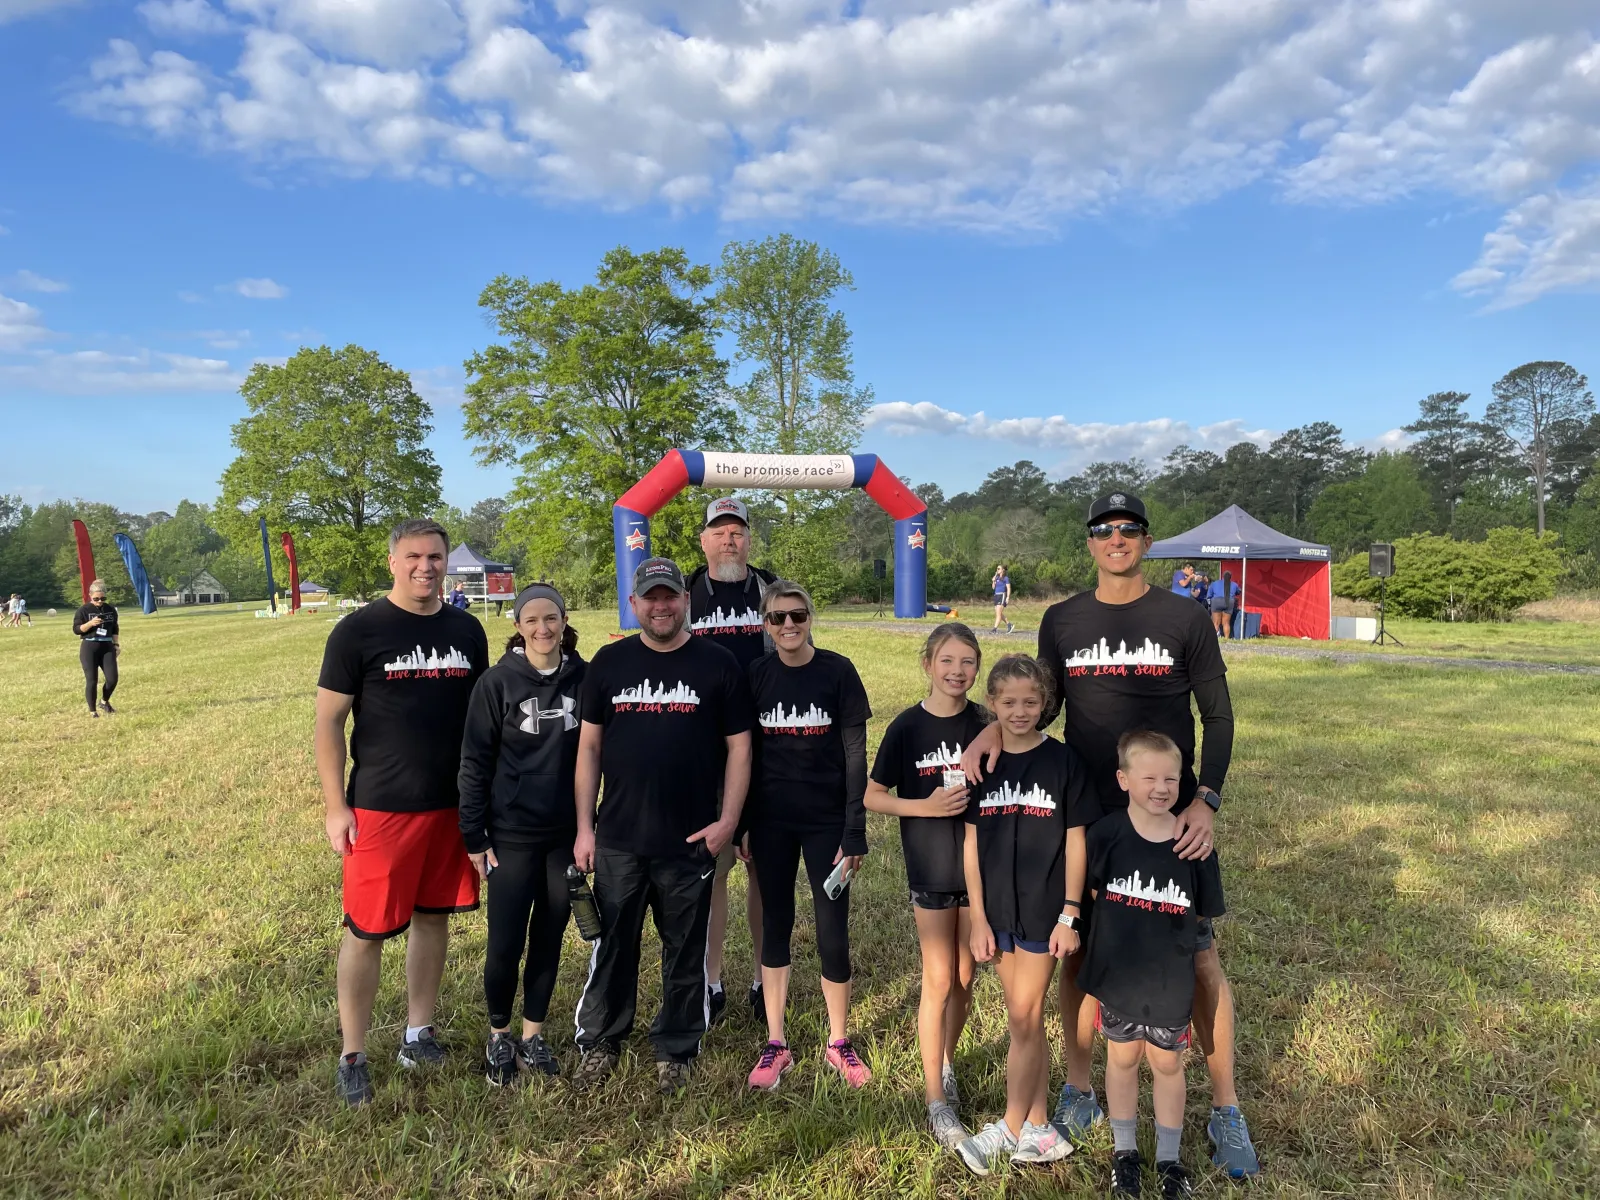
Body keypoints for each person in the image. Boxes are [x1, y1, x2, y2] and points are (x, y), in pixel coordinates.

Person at [962, 491, 1258, 1179]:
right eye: (1103, 530)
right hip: (1088, 818)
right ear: (1090, 543)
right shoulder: (1061, 619)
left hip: (1168, 820)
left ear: (1147, 541)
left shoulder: (1183, 615)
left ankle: (1225, 1107)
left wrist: (1205, 799)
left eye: (1128, 529)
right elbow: (1039, 704)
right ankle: (1079, 1087)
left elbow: (1218, 716)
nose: (1116, 538)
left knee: (1200, 958)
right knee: (1078, 951)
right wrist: (987, 726)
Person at [315, 518, 490, 1107]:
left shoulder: (467, 631)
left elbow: (481, 721)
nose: (426, 566)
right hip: (382, 807)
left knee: (433, 916)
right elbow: (328, 722)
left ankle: (419, 1032)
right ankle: (353, 1054)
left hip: (451, 806)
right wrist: (336, 805)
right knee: (366, 932)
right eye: (413, 556)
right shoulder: (358, 631)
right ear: (392, 562)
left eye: (435, 556)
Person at [573, 557, 754, 1096]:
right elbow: (588, 746)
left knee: (684, 948)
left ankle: (676, 1045)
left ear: (686, 600)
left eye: (670, 596)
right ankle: (601, 1038)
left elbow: (740, 749)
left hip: (691, 839)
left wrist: (728, 821)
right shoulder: (608, 663)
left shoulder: (717, 664)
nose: (661, 606)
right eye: (650, 597)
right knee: (612, 944)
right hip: (620, 837)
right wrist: (585, 827)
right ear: (634, 605)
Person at [954, 654, 1098, 1175]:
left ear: (1045, 705)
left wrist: (1070, 912)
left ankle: (1009, 1127)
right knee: (1026, 1023)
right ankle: (1039, 1128)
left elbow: (1077, 845)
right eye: (1008, 702)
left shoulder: (1063, 763)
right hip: (997, 913)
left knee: (1023, 1018)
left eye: (1031, 702)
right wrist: (977, 918)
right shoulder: (980, 767)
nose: (1020, 711)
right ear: (992, 704)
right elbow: (969, 846)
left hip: (1045, 911)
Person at [1081, 731, 1226, 1199]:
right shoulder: (1104, 835)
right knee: (1121, 1058)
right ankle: (1125, 1153)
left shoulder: (1194, 842)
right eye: (1149, 777)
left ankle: (1168, 1159)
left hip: (1169, 981)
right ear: (1123, 779)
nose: (1161, 787)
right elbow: (1093, 891)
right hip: (1120, 978)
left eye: (1171, 778)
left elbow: (1202, 914)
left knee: (1167, 1065)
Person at [742, 581, 873, 1091]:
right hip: (772, 821)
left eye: (797, 616)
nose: (789, 626)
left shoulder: (837, 671)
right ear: (765, 624)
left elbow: (856, 755)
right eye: (778, 618)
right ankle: (776, 1042)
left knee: (831, 928)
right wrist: (745, 822)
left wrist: (853, 829)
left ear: (811, 617)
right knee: (775, 923)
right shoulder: (756, 675)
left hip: (826, 824)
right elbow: (745, 754)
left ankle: (838, 1041)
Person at [865, 622, 988, 1148]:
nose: (957, 672)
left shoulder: (987, 722)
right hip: (932, 866)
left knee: (966, 975)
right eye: (947, 661)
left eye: (968, 663)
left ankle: (946, 1060)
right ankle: (936, 1100)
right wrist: (925, 806)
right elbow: (872, 795)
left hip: (982, 870)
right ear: (927, 664)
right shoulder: (907, 727)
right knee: (938, 977)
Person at [458, 582, 586, 1086]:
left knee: (549, 937)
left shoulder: (585, 678)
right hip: (510, 833)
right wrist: (474, 834)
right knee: (505, 941)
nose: (542, 628)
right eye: (531, 620)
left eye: (550, 618)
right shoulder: (497, 683)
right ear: (517, 626)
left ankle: (533, 1035)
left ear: (563, 620)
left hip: (563, 834)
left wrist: (588, 828)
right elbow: (474, 761)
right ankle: (500, 1035)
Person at [686, 496, 777, 1026]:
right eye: (718, 531)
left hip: (767, 748)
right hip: (705, 752)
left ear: (748, 538)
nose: (728, 540)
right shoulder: (686, 592)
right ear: (704, 540)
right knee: (712, 871)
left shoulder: (769, 588)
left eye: (737, 531)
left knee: (764, 869)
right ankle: (710, 979)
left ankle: (766, 977)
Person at [72, 580, 119, 717]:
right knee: (92, 680)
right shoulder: (83, 610)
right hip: (89, 646)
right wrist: (90, 623)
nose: (100, 601)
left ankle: (104, 702)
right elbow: (76, 630)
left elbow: (115, 628)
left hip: (107, 646)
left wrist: (116, 644)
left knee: (112, 679)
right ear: (90, 596)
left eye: (103, 598)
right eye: (96, 599)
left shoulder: (110, 609)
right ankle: (93, 711)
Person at [1207, 571, 1240, 639]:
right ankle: (1226, 639)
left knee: (1216, 623)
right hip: (1229, 601)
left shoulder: (1214, 583)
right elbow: (1238, 592)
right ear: (1230, 578)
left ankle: (1213, 639)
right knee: (1226, 623)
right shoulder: (1234, 584)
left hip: (1217, 602)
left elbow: (1209, 595)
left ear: (1222, 576)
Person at [991, 565, 1014, 634]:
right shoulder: (997, 577)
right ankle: (1009, 624)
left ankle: (994, 629)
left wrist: (1008, 597)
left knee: (998, 614)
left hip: (1002, 595)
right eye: (997, 569)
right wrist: (993, 581)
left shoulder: (1006, 578)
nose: (997, 570)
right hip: (996, 595)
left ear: (1003, 570)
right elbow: (993, 587)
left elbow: (1008, 588)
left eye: (998, 569)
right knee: (999, 613)